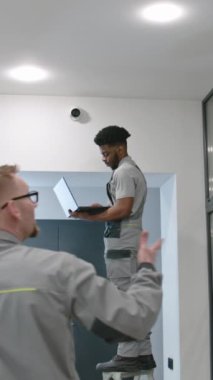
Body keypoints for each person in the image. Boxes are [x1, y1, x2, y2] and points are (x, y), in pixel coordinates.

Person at [0, 164, 162, 380]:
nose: (35, 204)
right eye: (31, 197)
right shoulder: (58, 270)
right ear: (13, 209)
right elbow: (134, 321)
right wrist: (147, 268)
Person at [71, 125, 156, 373]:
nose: (104, 158)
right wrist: (97, 209)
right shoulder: (131, 171)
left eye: (107, 153)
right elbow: (119, 207)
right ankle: (143, 354)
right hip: (129, 243)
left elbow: (123, 210)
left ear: (121, 148)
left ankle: (127, 355)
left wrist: (91, 217)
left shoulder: (124, 172)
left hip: (122, 244)